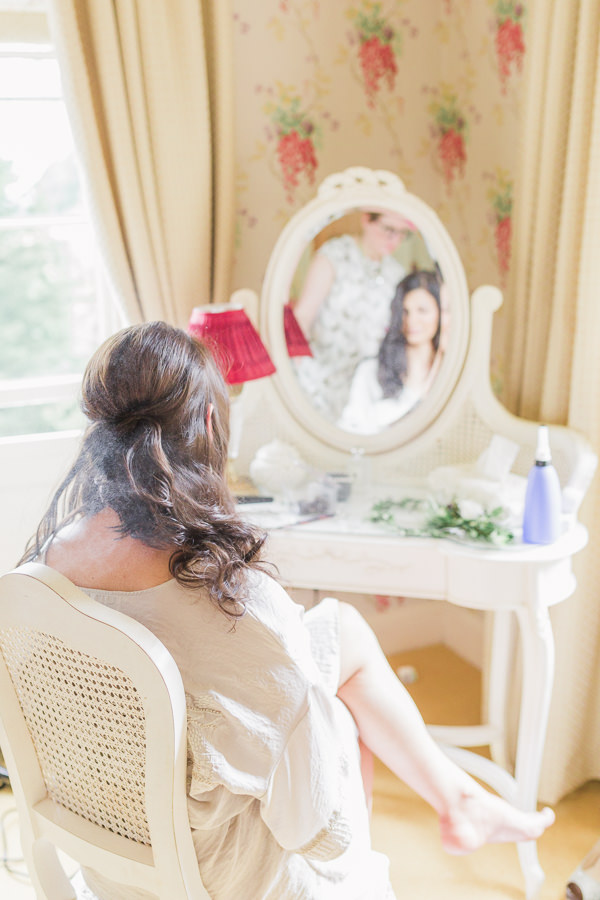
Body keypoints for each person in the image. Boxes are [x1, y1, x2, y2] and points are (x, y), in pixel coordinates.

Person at [21, 322, 555, 900]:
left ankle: (458, 800)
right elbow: (317, 831)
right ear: (206, 426)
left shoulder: (54, 559)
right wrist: (329, 731)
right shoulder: (231, 605)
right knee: (338, 721)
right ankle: (451, 806)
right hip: (222, 874)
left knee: (341, 630)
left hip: (113, 843)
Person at [292, 210, 411, 421]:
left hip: (364, 390)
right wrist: (301, 371)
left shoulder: (396, 274)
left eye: (403, 233)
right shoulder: (334, 255)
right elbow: (302, 318)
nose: (396, 240)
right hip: (317, 379)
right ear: (366, 220)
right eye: (389, 230)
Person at [339, 270, 444, 435]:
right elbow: (354, 427)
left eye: (422, 310)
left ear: (441, 313)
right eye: (405, 312)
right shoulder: (371, 370)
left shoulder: (447, 371)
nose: (411, 321)